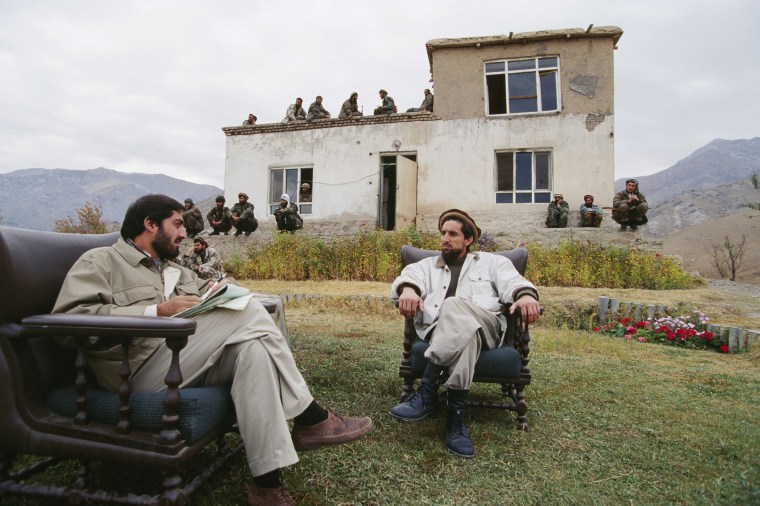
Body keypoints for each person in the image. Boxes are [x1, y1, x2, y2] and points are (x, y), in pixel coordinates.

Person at [52, 194, 373, 505]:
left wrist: (219, 292)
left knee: (254, 350)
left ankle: (267, 486)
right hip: (133, 373)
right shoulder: (101, 261)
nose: (184, 232)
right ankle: (311, 416)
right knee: (246, 310)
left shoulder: (176, 270)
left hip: (181, 361)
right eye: (177, 224)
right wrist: (157, 312)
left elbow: (211, 294)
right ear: (149, 223)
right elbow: (67, 322)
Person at [388, 209, 540, 458]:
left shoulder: (493, 263)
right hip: (442, 331)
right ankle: (456, 419)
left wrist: (524, 295)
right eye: (443, 233)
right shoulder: (426, 266)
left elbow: (513, 282)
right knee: (465, 334)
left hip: (487, 327)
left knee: (453, 304)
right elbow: (408, 277)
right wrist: (408, 290)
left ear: (468, 239)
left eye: (452, 234)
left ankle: (427, 390)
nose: (445, 238)